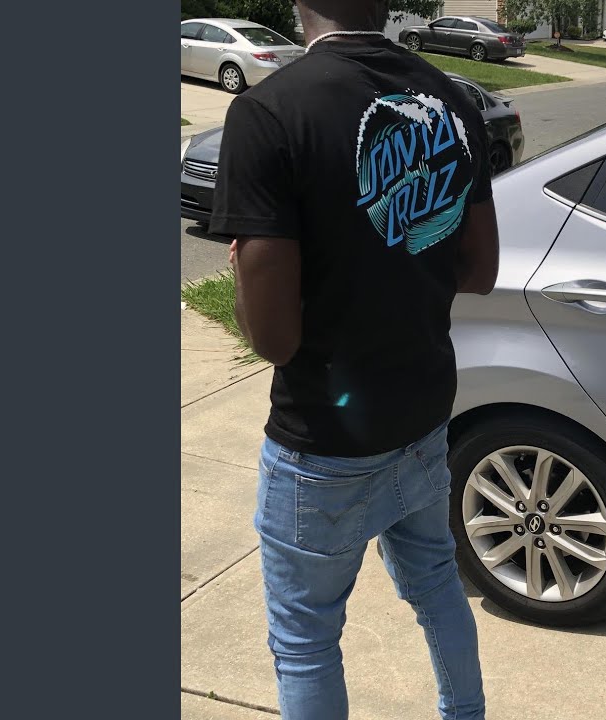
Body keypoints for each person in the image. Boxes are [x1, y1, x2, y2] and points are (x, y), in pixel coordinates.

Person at [208, 1, 500, 718]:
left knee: (306, 638)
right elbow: (480, 269)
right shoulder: (454, 101)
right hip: (422, 411)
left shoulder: (269, 112)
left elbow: (274, 339)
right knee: (437, 583)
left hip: (323, 440)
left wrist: (246, 273)